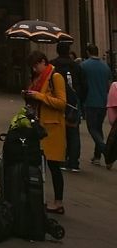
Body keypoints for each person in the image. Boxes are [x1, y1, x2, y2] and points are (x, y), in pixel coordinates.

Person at [24, 49, 67, 213]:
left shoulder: (55, 77)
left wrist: (39, 96)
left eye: (36, 66)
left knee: (54, 166)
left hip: (53, 127)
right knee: (40, 164)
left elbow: (62, 103)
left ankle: (59, 202)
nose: (34, 70)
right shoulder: (38, 79)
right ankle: (39, 197)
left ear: (43, 62)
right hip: (39, 127)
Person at [51, 42, 86, 172]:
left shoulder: (53, 65)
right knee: (73, 132)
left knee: (59, 131)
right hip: (73, 103)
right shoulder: (76, 66)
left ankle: (60, 157)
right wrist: (80, 100)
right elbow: (84, 84)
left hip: (57, 102)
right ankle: (74, 162)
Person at [79, 43, 114, 168]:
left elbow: (81, 83)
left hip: (90, 101)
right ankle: (97, 156)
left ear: (88, 52)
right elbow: (109, 85)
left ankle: (106, 153)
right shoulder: (105, 67)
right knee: (98, 128)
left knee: (92, 129)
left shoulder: (84, 65)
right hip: (103, 101)